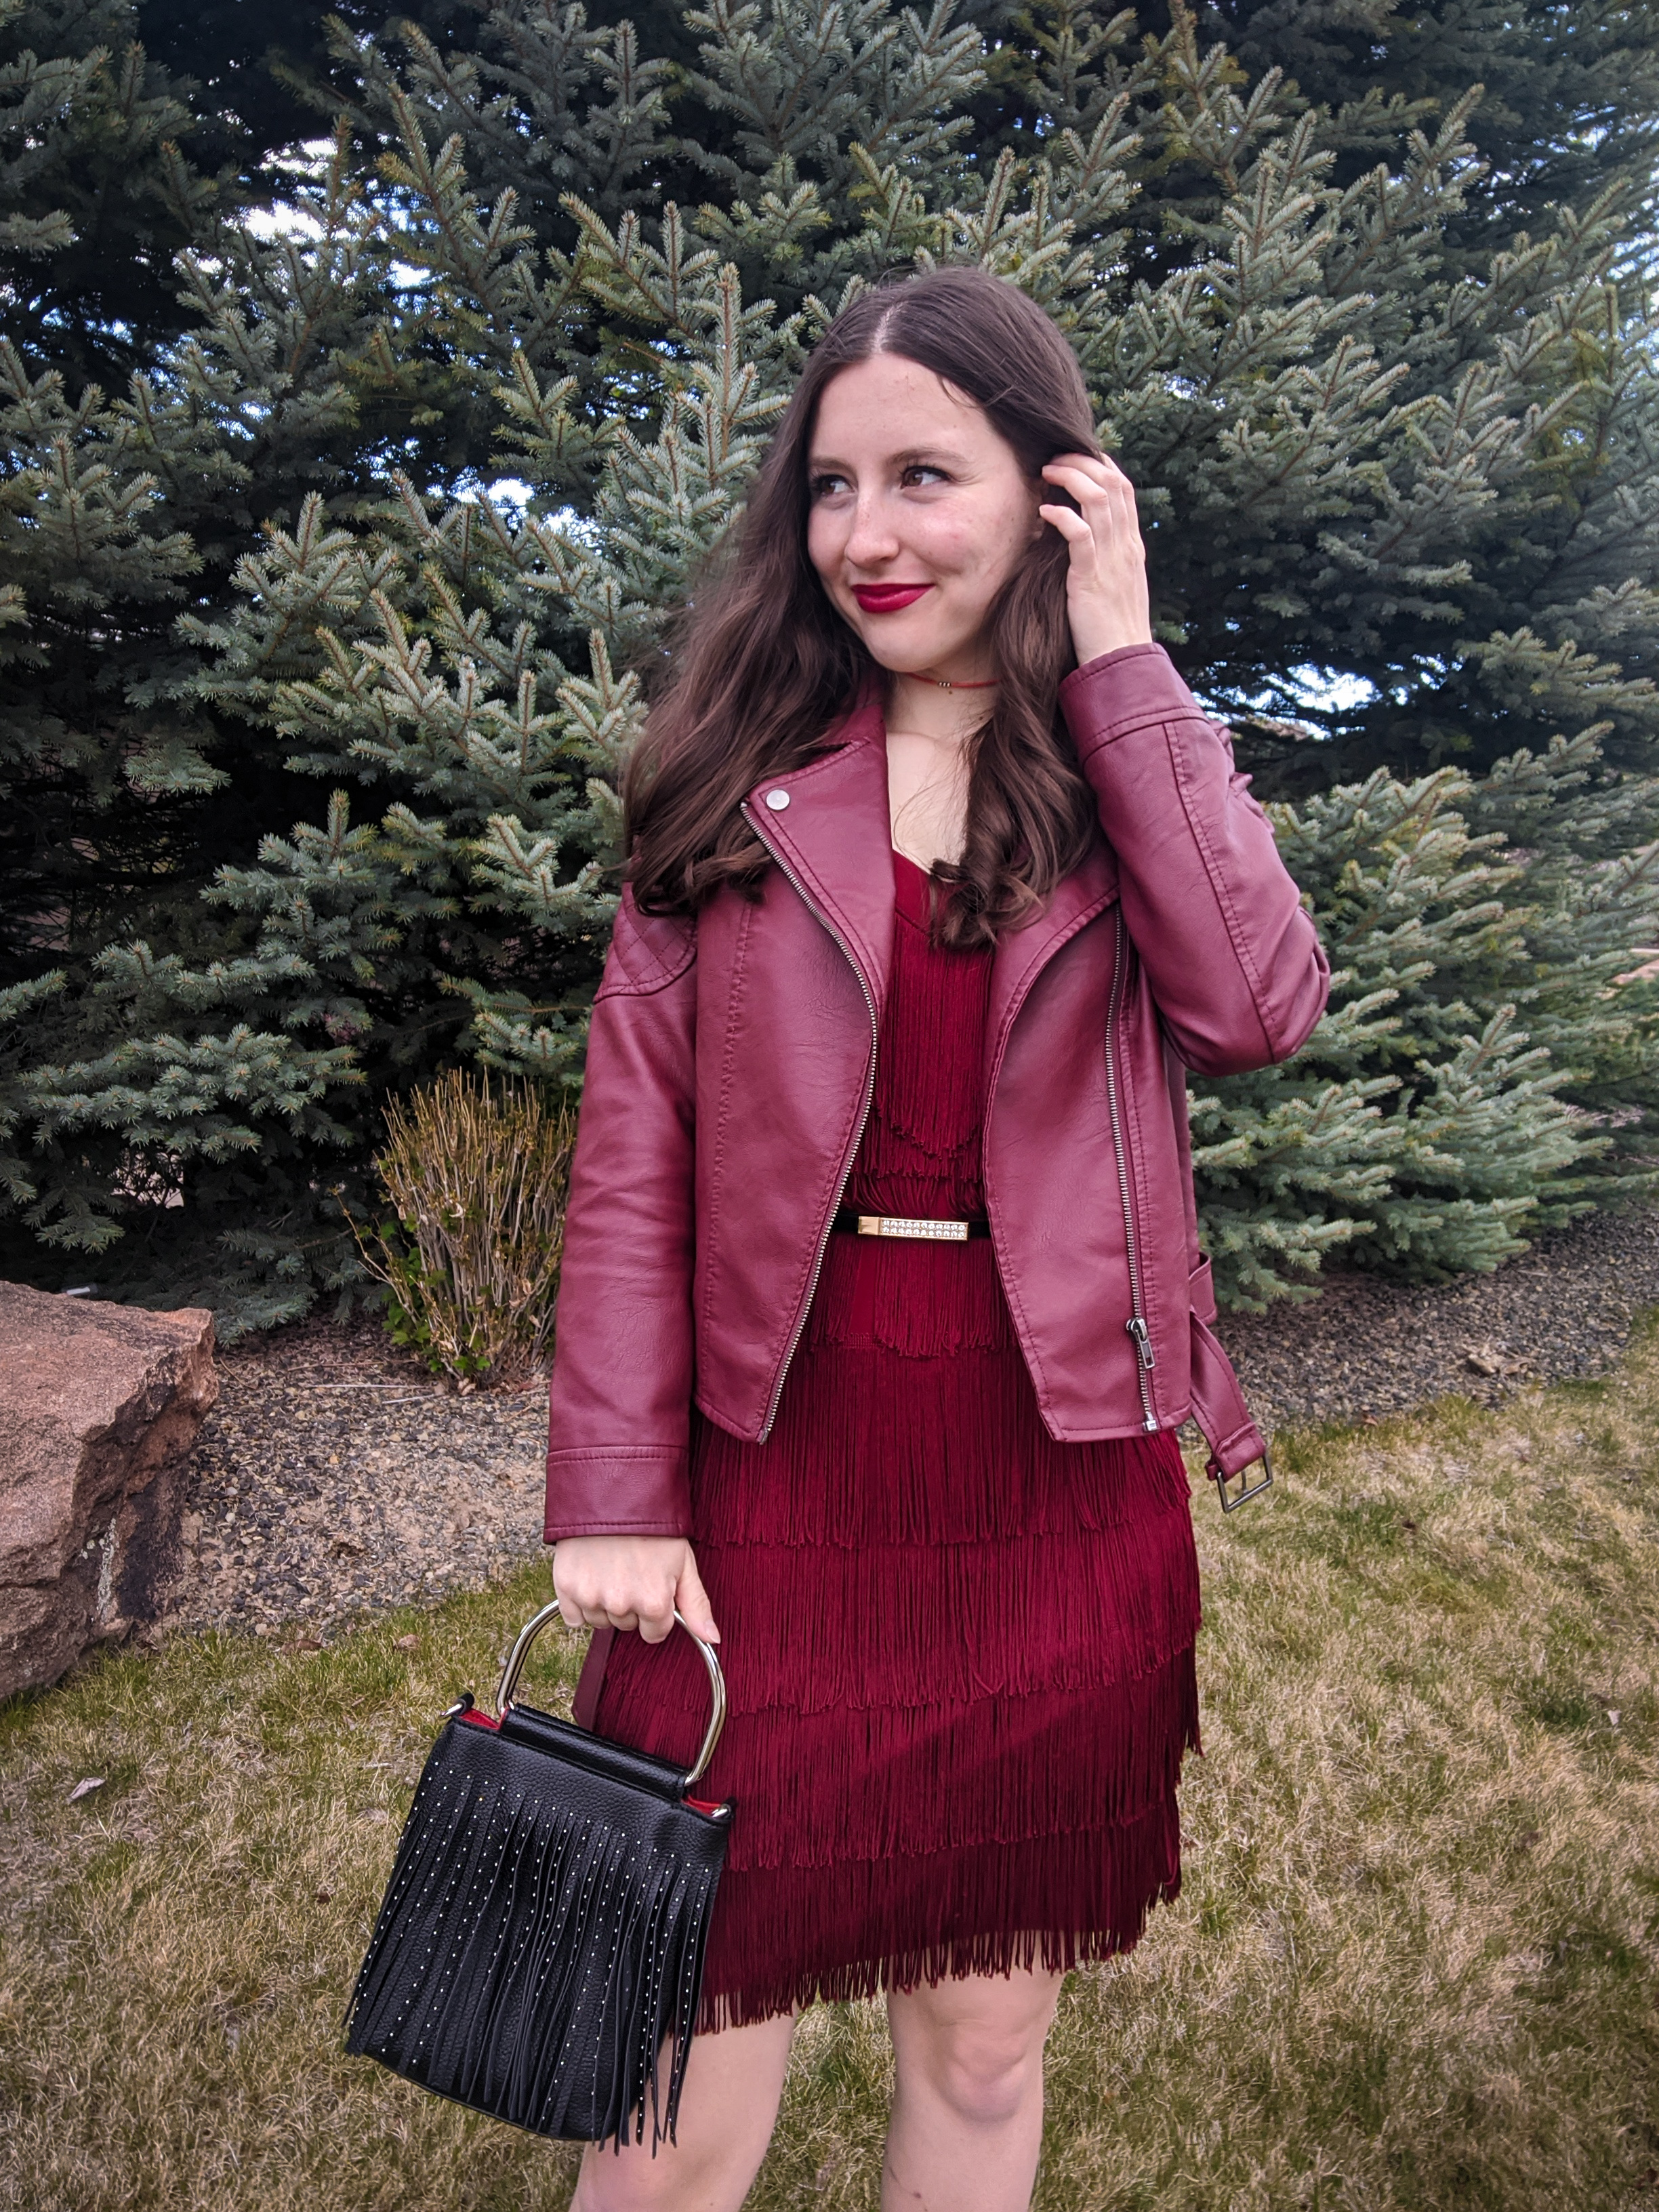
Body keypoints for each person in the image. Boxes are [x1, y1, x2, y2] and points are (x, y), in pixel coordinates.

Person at [544, 265, 1329, 2212]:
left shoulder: (1119, 777)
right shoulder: (728, 780)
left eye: (925, 476)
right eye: (832, 485)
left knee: (984, 2055)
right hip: (765, 1479)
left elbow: (1254, 1007)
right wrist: (611, 1491)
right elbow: (634, 1163)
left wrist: (1128, 668)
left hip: (1049, 1480)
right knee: (675, 2053)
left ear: (1052, 493)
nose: (868, 536)